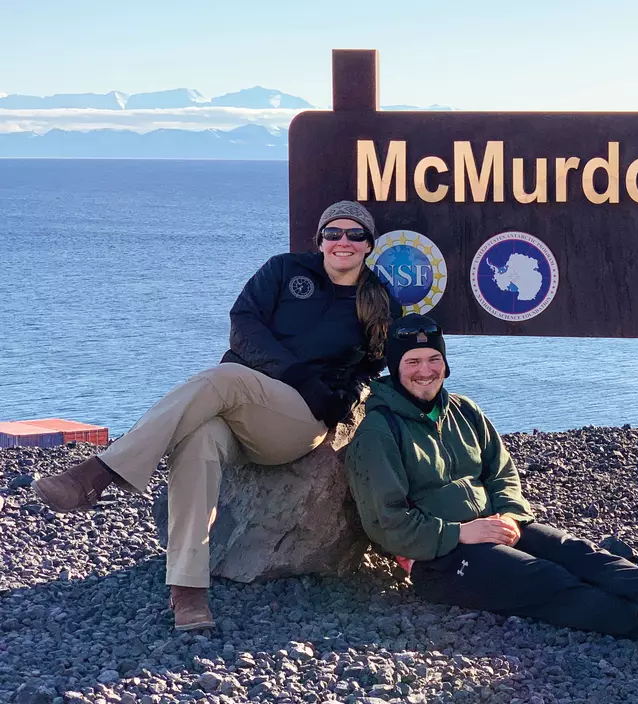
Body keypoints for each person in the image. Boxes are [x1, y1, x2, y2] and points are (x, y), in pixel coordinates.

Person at [33, 200, 400, 631]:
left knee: (223, 377)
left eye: (355, 235)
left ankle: (97, 473)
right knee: (199, 439)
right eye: (333, 233)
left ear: (369, 244)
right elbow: (243, 324)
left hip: (298, 421)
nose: (343, 242)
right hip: (243, 408)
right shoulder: (283, 271)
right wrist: (294, 371)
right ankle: (188, 590)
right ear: (319, 240)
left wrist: (341, 398)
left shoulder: (376, 299)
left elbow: (374, 366)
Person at [345, 314, 638, 637]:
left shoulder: (464, 410)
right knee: (546, 579)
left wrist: (510, 515)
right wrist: (460, 533)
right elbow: (387, 522)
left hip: (493, 524)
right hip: (437, 560)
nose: (426, 370)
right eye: (413, 362)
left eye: (433, 359)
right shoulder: (379, 432)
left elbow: (501, 472)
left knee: (575, 551)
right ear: (396, 366)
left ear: (445, 364)